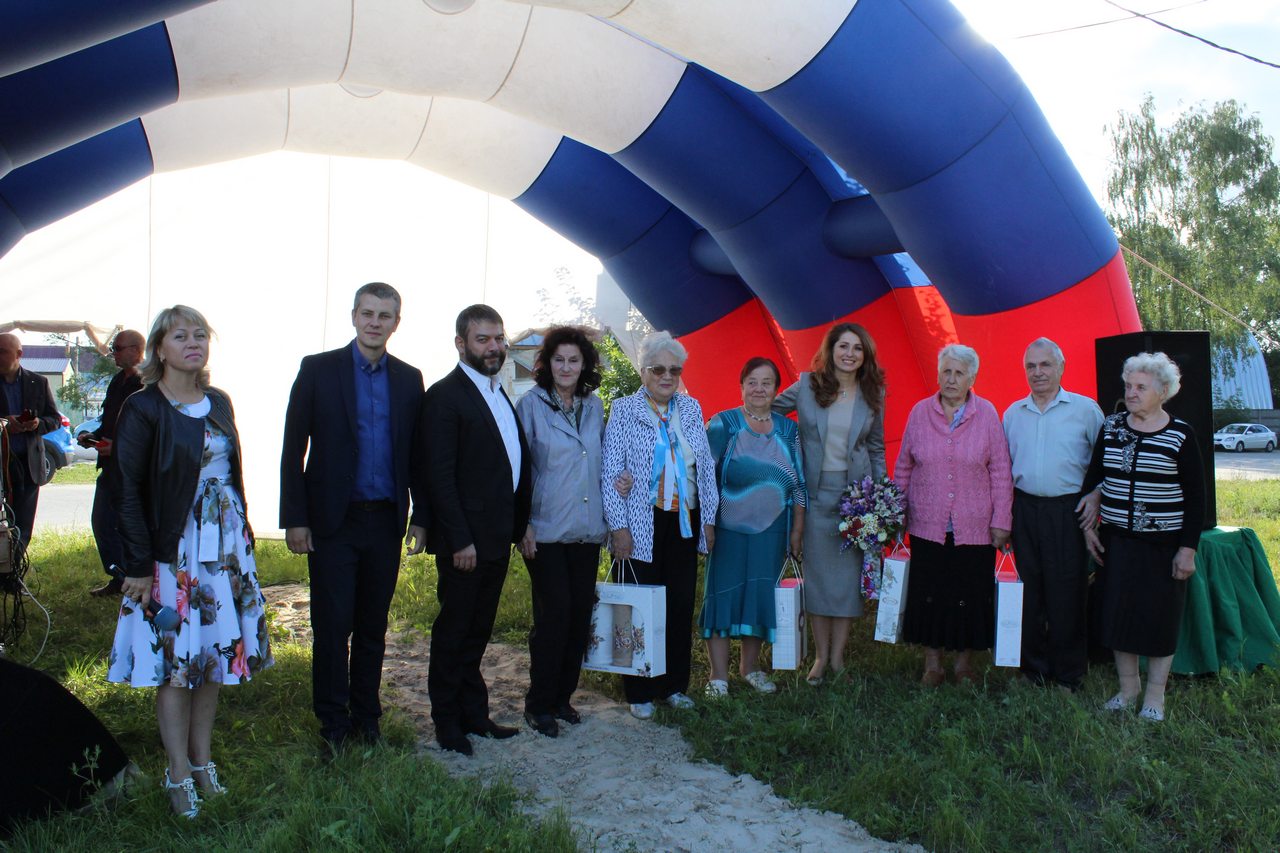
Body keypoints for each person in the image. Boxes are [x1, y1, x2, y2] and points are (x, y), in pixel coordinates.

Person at [107, 305, 272, 818]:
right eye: (181, 335)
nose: (194, 343)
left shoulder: (219, 401)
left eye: (201, 335)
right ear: (160, 347)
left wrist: (243, 537)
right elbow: (127, 490)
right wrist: (138, 566)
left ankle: (203, 763)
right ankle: (177, 774)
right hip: (173, 551)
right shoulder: (143, 407)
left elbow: (232, 475)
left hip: (224, 553)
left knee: (214, 661)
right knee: (176, 666)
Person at [280, 282, 428, 754]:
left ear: (396, 323)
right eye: (368, 313)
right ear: (353, 316)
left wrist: (420, 516)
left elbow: (417, 456)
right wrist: (294, 519)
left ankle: (368, 719)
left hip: (384, 520)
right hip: (332, 522)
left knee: (372, 626)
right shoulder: (318, 370)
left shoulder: (409, 379)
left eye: (385, 315)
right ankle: (333, 724)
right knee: (331, 625)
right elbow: (292, 448)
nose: (375, 322)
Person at [425, 304, 531, 755]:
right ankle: (447, 723)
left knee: (478, 632)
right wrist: (459, 539)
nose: (494, 347)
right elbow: (440, 476)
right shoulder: (445, 396)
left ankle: (474, 714)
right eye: (483, 339)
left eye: (498, 339)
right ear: (461, 343)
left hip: (496, 538)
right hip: (466, 543)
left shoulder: (497, 391)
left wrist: (519, 526)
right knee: (453, 632)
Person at [1079, 352, 1204, 722]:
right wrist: (1089, 525)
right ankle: (1128, 688)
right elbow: (1094, 478)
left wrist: (1187, 550)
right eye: (1128, 386)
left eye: (1140, 387)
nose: (1130, 393)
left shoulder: (1181, 435)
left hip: (1163, 546)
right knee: (1119, 615)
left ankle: (1155, 696)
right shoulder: (1113, 426)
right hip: (1116, 541)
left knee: (1159, 619)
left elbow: (1196, 498)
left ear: (1162, 391)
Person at [602, 331, 717, 720]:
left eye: (674, 369)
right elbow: (610, 472)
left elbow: (704, 469)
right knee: (638, 607)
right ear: (643, 370)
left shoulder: (691, 408)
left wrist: (709, 520)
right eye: (658, 369)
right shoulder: (623, 409)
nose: (667, 376)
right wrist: (619, 527)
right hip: (640, 523)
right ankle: (638, 690)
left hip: (683, 521)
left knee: (679, 604)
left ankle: (672, 686)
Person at [773, 323, 886, 685]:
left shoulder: (872, 394)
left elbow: (876, 448)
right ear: (831, 350)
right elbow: (767, 411)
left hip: (857, 501)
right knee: (819, 580)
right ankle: (820, 658)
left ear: (864, 355)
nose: (849, 354)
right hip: (814, 496)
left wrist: (880, 498)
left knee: (848, 581)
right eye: (843, 346)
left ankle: (838, 659)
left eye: (857, 348)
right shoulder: (807, 385)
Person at [895, 343, 1012, 686]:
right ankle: (932, 663)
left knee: (969, 593)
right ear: (938, 373)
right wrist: (897, 514)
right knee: (929, 590)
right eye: (946, 371)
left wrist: (1001, 521)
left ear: (972, 378)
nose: (951, 378)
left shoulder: (987, 413)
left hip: (975, 524)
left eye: (959, 373)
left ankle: (964, 664)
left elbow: (1001, 471)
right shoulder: (919, 412)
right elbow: (903, 467)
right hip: (927, 522)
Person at [515, 326, 609, 737]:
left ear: (584, 363)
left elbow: (602, 460)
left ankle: (562, 698)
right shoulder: (530, 405)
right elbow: (518, 471)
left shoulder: (595, 405)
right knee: (553, 617)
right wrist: (523, 525)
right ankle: (538, 704)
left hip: (588, 531)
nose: (566, 367)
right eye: (559, 359)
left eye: (574, 360)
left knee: (578, 617)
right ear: (547, 364)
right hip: (546, 530)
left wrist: (619, 480)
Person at [1001, 338, 1104, 691]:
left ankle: (1068, 673)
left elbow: (1105, 465)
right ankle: (1033, 670)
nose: (1038, 372)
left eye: (1045, 365)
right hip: (1025, 509)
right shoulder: (1013, 414)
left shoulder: (1086, 410)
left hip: (1068, 511)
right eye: (1031, 366)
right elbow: (1004, 469)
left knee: (1067, 592)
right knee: (1030, 592)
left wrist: (1096, 496)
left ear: (1061, 367)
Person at [700, 357, 806, 696]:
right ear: (742, 386)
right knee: (722, 595)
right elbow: (703, 478)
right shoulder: (724, 424)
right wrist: (707, 524)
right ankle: (717, 676)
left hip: (774, 529)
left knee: (760, 597)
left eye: (767, 383)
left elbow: (800, 485)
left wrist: (797, 531)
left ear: (777, 389)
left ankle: (750, 667)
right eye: (752, 382)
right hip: (727, 528)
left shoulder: (789, 430)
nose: (759, 389)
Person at [81, 329, 145, 598]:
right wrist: (92, 437)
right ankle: (119, 577)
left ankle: (135, 577)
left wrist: (116, 446)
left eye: (117, 349)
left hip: (135, 470)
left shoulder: (149, 383)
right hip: (110, 468)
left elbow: (148, 431)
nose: (113, 354)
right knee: (103, 522)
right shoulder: (117, 381)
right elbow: (109, 421)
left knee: (131, 526)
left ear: (136, 350)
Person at [0, 333, 61, 555]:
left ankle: (15, 572)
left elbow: (54, 419)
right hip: (1, 463)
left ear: (18, 355)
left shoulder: (38, 382)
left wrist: (37, 424)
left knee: (23, 523)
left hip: (28, 463)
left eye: (2, 352)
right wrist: (5, 424)